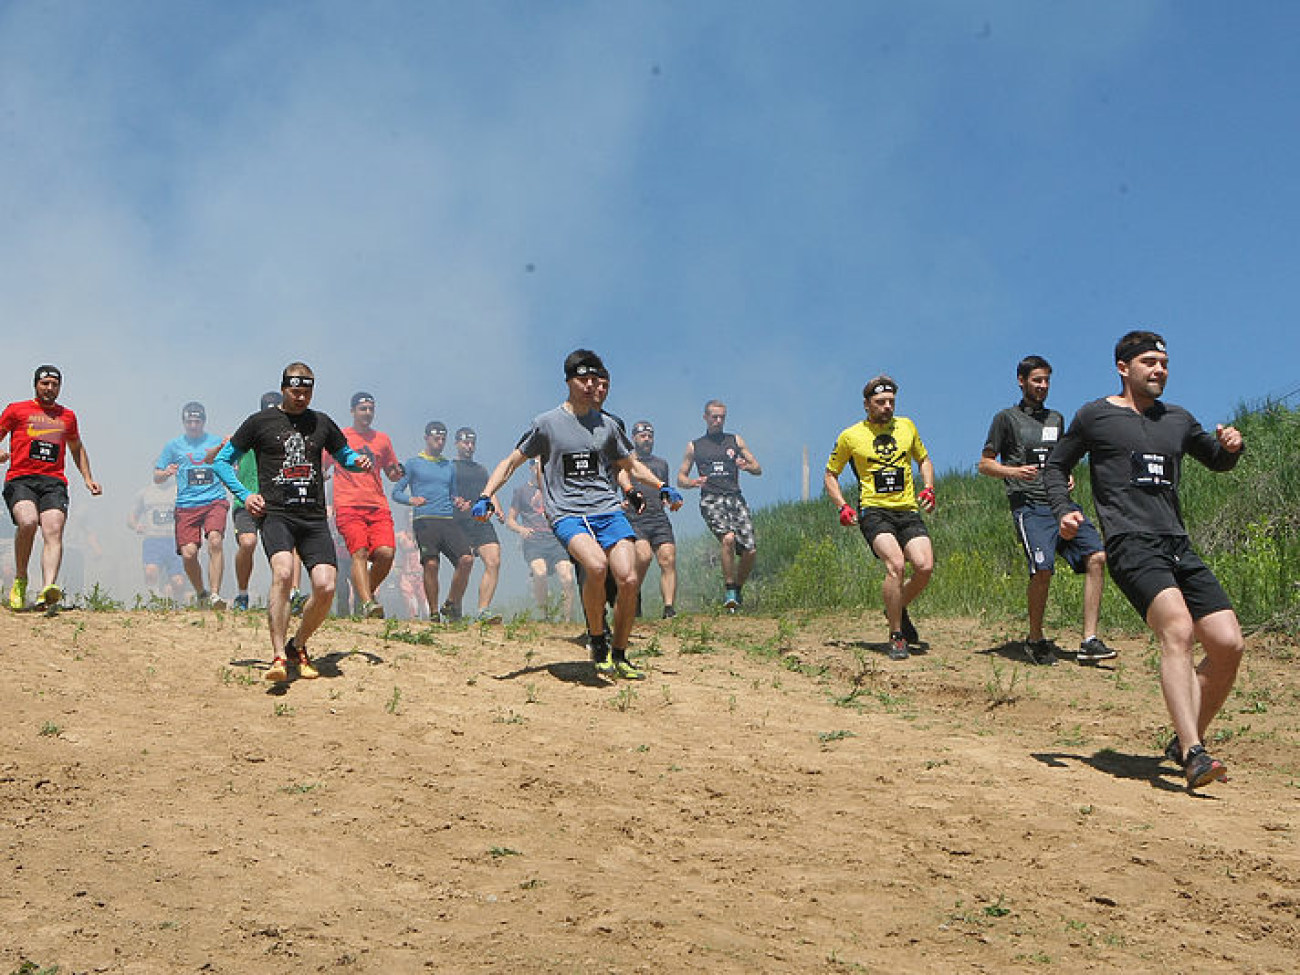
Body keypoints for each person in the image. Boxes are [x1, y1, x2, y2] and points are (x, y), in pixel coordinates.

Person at [1043, 331, 1244, 789]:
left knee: (1228, 644)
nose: (1159, 370)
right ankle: (1194, 754)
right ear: (1123, 367)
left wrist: (1230, 447)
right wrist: (1063, 511)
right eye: (1150, 362)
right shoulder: (1095, 416)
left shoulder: (1177, 419)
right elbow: (1056, 466)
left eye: (1165, 363)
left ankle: (1182, 739)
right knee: (1178, 629)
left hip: (1177, 543)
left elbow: (1214, 459)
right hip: (1131, 543)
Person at [474, 349, 682, 679]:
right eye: (582, 379)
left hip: (608, 511)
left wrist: (662, 485)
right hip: (568, 514)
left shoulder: (608, 427)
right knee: (596, 566)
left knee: (628, 578)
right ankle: (597, 638)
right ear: (569, 382)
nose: (589, 385)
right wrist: (487, 495)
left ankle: (620, 653)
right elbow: (511, 462)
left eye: (593, 379)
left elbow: (630, 464)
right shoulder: (546, 424)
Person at [213, 363, 372, 682]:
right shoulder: (260, 422)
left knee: (326, 586)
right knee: (283, 573)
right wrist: (245, 495)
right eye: (295, 391)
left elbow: (344, 456)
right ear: (284, 388)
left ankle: (296, 645)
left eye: (307, 391)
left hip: (312, 517)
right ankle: (276, 658)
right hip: (277, 514)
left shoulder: (322, 422)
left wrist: (358, 462)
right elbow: (221, 462)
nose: (301, 397)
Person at [979, 356, 1116, 666]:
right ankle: (1036, 638)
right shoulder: (1006, 419)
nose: (1042, 386)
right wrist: (1014, 473)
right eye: (1036, 380)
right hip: (1028, 506)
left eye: (1046, 381)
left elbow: (1062, 459)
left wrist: (1066, 474)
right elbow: (984, 464)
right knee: (1043, 569)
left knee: (1096, 556)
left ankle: (1089, 640)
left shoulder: (1056, 419)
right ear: (1021, 380)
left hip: (1060, 506)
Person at [824, 375, 935, 661]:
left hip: (907, 510)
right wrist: (842, 506)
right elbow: (830, 475)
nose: (887, 407)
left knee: (924, 567)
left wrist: (929, 487)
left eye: (891, 402)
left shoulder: (907, 426)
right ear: (866, 405)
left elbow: (923, 459)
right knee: (896, 565)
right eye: (880, 402)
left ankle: (894, 607)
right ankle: (897, 635)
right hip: (874, 511)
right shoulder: (850, 436)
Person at [0, 365, 102, 612]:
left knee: (54, 528)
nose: (49, 388)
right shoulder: (17, 410)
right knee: (27, 522)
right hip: (21, 479)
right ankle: (21, 579)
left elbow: (77, 447)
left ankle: (48, 588)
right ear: (36, 385)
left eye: (54, 384)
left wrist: (88, 478)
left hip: (53, 482)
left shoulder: (67, 416)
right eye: (45, 383)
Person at [678, 399, 762, 611]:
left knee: (750, 550)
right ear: (705, 417)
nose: (718, 421)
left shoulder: (735, 440)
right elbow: (681, 478)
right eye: (714, 417)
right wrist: (693, 483)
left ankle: (737, 591)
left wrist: (746, 465)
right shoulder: (695, 446)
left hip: (735, 497)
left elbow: (757, 468)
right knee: (728, 538)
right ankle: (729, 589)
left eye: (721, 417)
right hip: (711, 498)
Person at [327, 391, 404, 619]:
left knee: (386, 553)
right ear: (352, 411)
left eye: (371, 409)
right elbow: (321, 463)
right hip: (348, 505)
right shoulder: (340, 437)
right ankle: (369, 604)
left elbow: (391, 472)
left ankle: (365, 594)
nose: (367, 413)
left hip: (377, 505)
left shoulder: (383, 439)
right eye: (363, 409)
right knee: (358, 552)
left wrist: (397, 472)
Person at [391, 421, 475, 622]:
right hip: (425, 520)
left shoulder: (449, 466)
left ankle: (452, 603)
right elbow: (396, 492)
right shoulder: (412, 463)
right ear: (426, 438)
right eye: (436, 438)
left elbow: (453, 493)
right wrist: (411, 500)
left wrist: (459, 502)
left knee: (466, 559)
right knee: (431, 564)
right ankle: (434, 613)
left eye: (443, 439)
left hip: (447, 519)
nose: (440, 442)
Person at [154, 401, 229, 609]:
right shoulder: (173, 446)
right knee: (189, 553)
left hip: (214, 500)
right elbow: (156, 476)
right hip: (186, 505)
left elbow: (233, 465)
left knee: (215, 540)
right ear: (184, 422)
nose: (193, 425)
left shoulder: (216, 442)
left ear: (203, 421)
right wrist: (166, 472)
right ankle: (201, 593)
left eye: (197, 421)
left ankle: (215, 594)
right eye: (189, 421)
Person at [507, 459, 576, 620]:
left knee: (567, 576)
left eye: (543, 463)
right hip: (534, 542)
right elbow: (510, 520)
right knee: (540, 572)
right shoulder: (521, 491)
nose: (540, 467)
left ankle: (568, 618)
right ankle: (544, 615)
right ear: (530, 467)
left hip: (556, 541)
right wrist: (521, 529)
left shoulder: (557, 490)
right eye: (536, 464)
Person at [451, 426, 505, 621]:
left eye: (472, 443)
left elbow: (489, 490)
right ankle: (454, 606)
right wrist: (455, 500)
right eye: (465, 442)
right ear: (457, 443)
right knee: (465, 564)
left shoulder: (481, 469)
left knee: (494, 560)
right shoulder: (451, 467)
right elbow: (445, 489)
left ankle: (483, 611)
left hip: (480, 521)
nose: (469, 446)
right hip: (458, 523)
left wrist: (497, 507)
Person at [628, 420, 679, 618]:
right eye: (643, 436)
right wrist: (620, 503)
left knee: (668, 559)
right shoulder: (628, 462)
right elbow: (613, 486)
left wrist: (671, 500)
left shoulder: (661, 464)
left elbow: (664, 490)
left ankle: (668, 609)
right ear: (634, 438)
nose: (647, 440)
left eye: (650, 436)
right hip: (635, 518)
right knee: (643, 557)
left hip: (658, 517)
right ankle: (633, 595)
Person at [128, 478, 186, 601]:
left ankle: (178, 605)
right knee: (150, 572)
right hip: (153, 540)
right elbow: (132, 516)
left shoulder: (180, 491)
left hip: (174, 540)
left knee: (178, 582)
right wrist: (135, 525)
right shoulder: (145, 493)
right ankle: (153, 600)